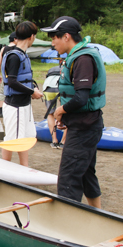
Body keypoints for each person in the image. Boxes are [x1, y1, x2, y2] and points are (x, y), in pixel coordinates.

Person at [41, 16, 106, 209]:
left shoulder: (83, 59)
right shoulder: (77, 56)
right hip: (84, 123)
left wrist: (60, 110)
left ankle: (68, 227)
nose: (52, 43)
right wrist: (66, 116)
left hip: (85, 127)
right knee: (86, 173)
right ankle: (98, 214)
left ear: (67, 37)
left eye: (54, 37)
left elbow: (81, 98)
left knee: (68, 179)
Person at [0, 21, 44, 166]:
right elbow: (11, 82)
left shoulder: (22, 54)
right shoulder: (14, 56)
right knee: (12, 140)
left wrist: (31, 91)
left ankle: (24, 168)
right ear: (32, 37)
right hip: (15, 106)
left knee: (23, 138)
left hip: (23, 104)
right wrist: (32, 92)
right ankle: (4, 170)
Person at [42, 62, 67, 149]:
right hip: (61, 88)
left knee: (50, 114)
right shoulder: (66, 69)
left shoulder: (52, 69)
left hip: (47, 88)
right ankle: (63, 142)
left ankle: (54, 141)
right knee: (68, 112)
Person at [0, 32, 16, 118]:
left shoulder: (4, 49)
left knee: (2, 93)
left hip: (6, 76)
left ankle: (1, 111)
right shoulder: (18, 48)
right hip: (16, 75)